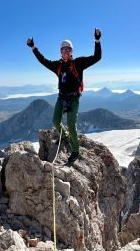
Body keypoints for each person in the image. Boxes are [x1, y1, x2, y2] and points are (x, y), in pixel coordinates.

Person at [27, 29, 102, 163]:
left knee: (71, 124)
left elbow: (97, 57)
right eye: (63, 50)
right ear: (60, 52)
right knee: (56, 120)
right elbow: (43, 61)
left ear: (71, 51)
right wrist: (33, 48)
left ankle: (75, 151)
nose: (66, 52)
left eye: (68, 49)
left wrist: (97, 40)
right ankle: (65, 135)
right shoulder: (58, 66)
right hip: (61, 98)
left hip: (73, 99)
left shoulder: (78, 63)